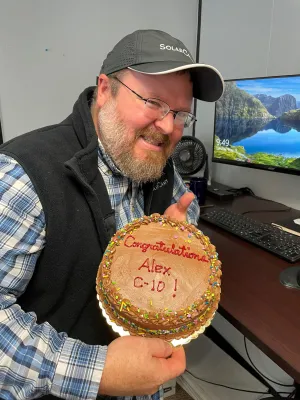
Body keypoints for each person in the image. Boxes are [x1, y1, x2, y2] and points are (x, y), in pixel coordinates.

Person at [0, 29, 223, 399]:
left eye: (180, 113)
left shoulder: (157, 161)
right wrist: (95, 372)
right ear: (105, 89)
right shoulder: (23, 175)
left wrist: (175, 240)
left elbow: (187, 208)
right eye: (153, 102)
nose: (169, 127)